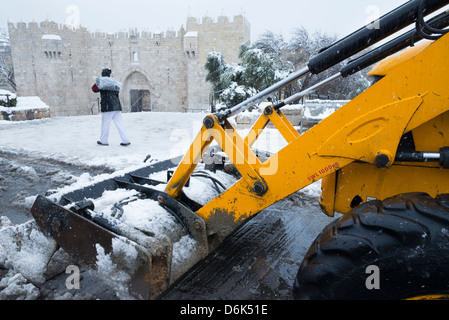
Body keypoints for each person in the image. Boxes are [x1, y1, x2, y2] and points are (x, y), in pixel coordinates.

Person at [92, 68, 131, 146]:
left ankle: (104, 141)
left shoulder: (101, 81)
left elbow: (94, 89)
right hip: (117, 106)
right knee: (120, 124)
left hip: (107, 106)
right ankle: (125, 140)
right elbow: (117, 91)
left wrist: (97, 83)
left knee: (105, 125)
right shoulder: (114, 82)